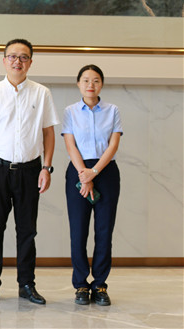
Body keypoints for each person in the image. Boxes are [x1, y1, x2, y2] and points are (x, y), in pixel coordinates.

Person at [0, 38, 60, 305]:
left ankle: (26, 284)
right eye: (12, 56)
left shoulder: (41, 93)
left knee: (27, 231)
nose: (17, 61)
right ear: (4, 61)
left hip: (30, 170)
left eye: (23, 57)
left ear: (30, 62)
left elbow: (48, 133)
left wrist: (46, 168)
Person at [62, 64, 122, 306]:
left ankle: (99, 284)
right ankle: (80, 284)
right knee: (78, 231)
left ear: (101, 84)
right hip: (78, 171)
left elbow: (113, 145)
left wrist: (94, 172)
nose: (90, 84)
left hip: (106, 172)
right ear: (78, 84)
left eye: (96, 80)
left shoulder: (112, 110)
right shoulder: (70, 111)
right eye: (86, 80)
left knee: (104, 231)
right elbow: (70, 145)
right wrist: (83, 175)